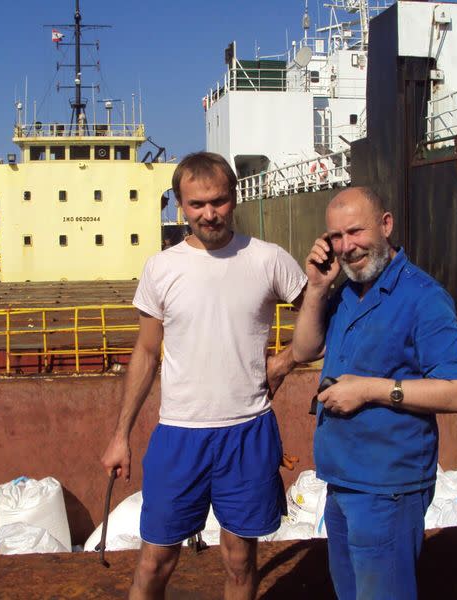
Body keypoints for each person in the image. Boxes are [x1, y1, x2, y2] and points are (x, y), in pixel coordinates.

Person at [101, 151, 307, 600]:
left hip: (247, 432)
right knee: (155, 561)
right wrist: (121, 435)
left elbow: (320, 319)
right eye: (197, 204)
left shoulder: (269, 259)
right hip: (179, 435)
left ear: (234, 199)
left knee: (239, 559)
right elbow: (146, 351)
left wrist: (285, 360)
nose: (208, 214)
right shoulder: (162, 268)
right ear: (180, 205)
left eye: (218, 201)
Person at [291, 186, 457, 600]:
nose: (346, 246)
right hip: (342, 480)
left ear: (386, 225)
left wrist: (370, 391)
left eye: (356, 231)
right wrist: (317, 288)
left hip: (387, 487)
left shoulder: (423, 298)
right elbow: (303, 350)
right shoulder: (344, 293)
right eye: (336, 237)